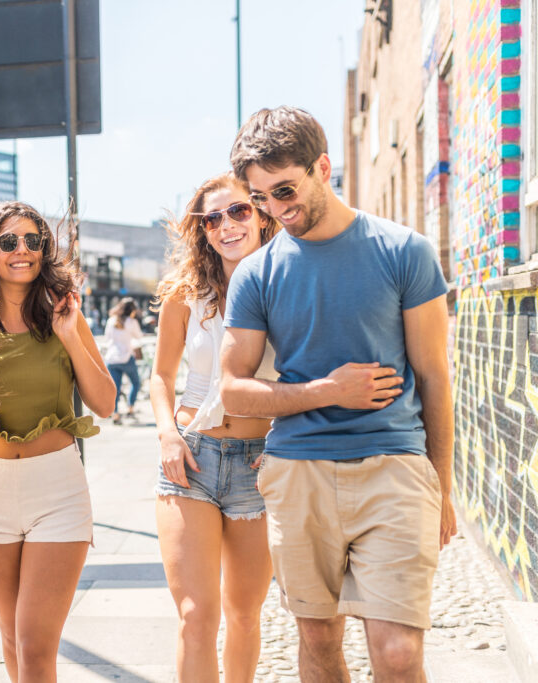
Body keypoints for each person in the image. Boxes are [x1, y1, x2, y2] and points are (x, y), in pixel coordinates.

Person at [220, 106, 456, 681]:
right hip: (299, 473)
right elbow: (232, 392)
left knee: (398, 653)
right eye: (261, 199)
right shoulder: (255, 274)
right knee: (320, 640)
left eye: (284, 190)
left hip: (394, 469)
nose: (275, 210)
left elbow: (435, 377)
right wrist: (327, 391)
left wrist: (443, 488)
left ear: (322, 166)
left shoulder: (406, 251)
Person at [0, 201, 116, 682]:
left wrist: (68, 334)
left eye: (33, 241)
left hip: (56, 490)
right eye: (9, 242)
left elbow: (104, 402)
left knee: (35, 647)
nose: (22, 251)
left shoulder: (64, 313)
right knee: (11, 638)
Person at [149, 172, 279, 682]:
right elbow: (161, 376)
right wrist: (166, 434)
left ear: (261, 213)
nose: (227, 225)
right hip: (191, 458)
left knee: (244, 615)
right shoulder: (187, 294)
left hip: (259, 462)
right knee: (195, 616)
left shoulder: (286, 283)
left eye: (239, 211)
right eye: (213, 218)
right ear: (202, 231)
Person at [103, 297, 144, 424]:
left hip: (112, 358)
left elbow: (107, 338)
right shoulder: (131, 322)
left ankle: (115, 414)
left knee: (115, 388)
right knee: (136, 382)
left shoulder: (111, 321)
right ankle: (130, 407)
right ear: (132, 310)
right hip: (126, 357)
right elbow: (139, 336)